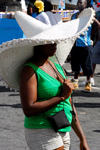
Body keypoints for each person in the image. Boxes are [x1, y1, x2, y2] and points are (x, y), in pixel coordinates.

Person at [0, 9, 93, 150]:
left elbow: (70, 104)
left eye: (55, 40)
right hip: (40, 130)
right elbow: (29, 109)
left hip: (62, 128)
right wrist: (62, 96)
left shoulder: (57, 66)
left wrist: (82, 138)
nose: (54, 44)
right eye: (49, 41)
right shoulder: (30, 70)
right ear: (37, 44)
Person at [70, 0, 100, 92]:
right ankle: (75, 81)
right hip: (75, 43)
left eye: (81, 2)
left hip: (85, 43)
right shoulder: (73, 16)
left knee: (86, 63)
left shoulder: (89, 15)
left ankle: (88, 82)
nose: (79, 4)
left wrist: (91, 34)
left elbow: (98, 25)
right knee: (75, 63)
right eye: (78, 2)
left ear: (85, 5)